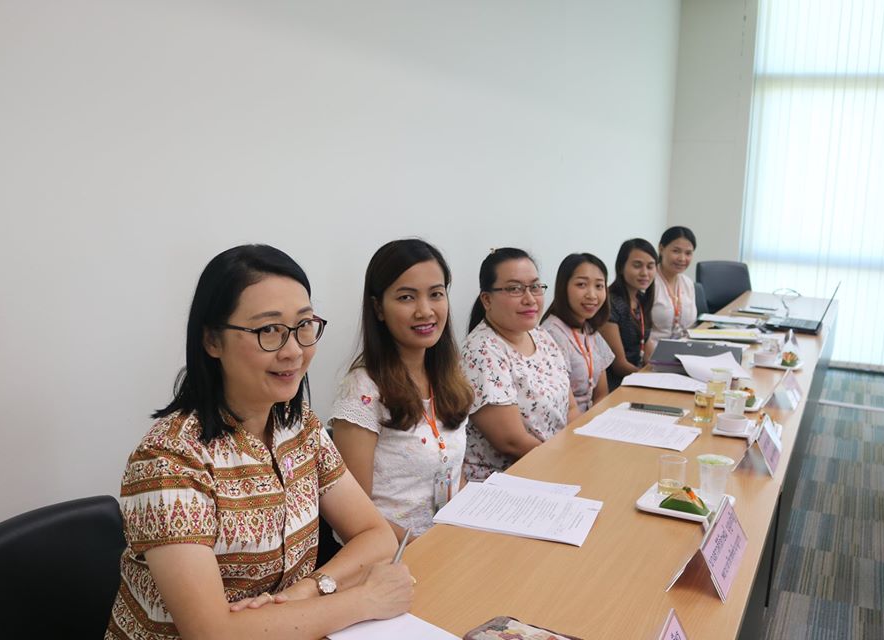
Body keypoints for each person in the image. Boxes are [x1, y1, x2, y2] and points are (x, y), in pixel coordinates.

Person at [106, 245, 413, 640]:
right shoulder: (169, 461)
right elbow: (213, 633)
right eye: (269, 330)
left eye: (303, 325)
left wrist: (309, 590)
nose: (294, 351)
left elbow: (376, 535)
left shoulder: (299, 427)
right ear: (212, 341)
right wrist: (363, 600)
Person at [330, 239, 473, 544]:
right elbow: (353, 514)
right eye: (407, 297)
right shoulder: (363, 389)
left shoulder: (449, 376)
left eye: (436, 294)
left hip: (448, 544)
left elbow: (454, 473)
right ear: (378, 308)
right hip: (392, 553)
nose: (425, 311)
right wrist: (423, 548)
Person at [461, 248, 577, 481]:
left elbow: (571, 409)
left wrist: (580, 450)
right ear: (487, 299)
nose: (530, 299)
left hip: (555, 464)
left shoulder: (540, 335)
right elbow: (512, 442)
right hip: (507, 481)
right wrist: (568, 463)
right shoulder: (481, 351)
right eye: (515, 289)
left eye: (535, 287)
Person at [540, 253, 615, 413]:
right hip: (568, 422)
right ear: (563, 287)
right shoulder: (551, 334)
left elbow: (601, 394)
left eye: (599, 286)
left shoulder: (589, 329)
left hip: (592, 418)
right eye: (581, 285)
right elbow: (562, 407)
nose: (592, 295)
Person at [601, 238, 658, 389]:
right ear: (621, 267)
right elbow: (619, 365)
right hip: (617, 384)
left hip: (637, 378)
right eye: (637, 265)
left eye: (650, 266)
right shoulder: (610, 303)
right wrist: (651, 379)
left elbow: (647, 350)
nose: (645, 273)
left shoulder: (641, 299)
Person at [652, 226, 698, 340]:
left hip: (684, 346)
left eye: (688, 253)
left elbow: (691, 326)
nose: (682, 258)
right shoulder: (648, 282)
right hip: (655, 348)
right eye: (676, 251)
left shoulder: (687, 283)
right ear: (661, 249)